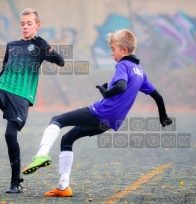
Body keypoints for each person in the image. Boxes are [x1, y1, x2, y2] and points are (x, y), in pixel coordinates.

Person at [22, 29, 173, 197]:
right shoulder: (140, 71)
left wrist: (107, 93)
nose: (111, 53)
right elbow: (157, 95)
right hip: (109, 123)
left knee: (57, 119)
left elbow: (121, 86)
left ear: (124, 50)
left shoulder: (123, 65)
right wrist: (163, 116)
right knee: (67, 139)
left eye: (113, 49)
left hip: (100, 113)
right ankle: (63, 187)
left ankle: (41, 155)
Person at [0, 8, 64, 193]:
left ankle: (15, 182)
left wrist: (47, 47)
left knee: (10, 136)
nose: (25, 27)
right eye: (22, 24)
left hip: (21, 96)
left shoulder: (40, 47)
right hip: (3, 89)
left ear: (37, 26)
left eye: (29, 24)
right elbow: (3, 70)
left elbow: (60, 62)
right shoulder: (12, 45)